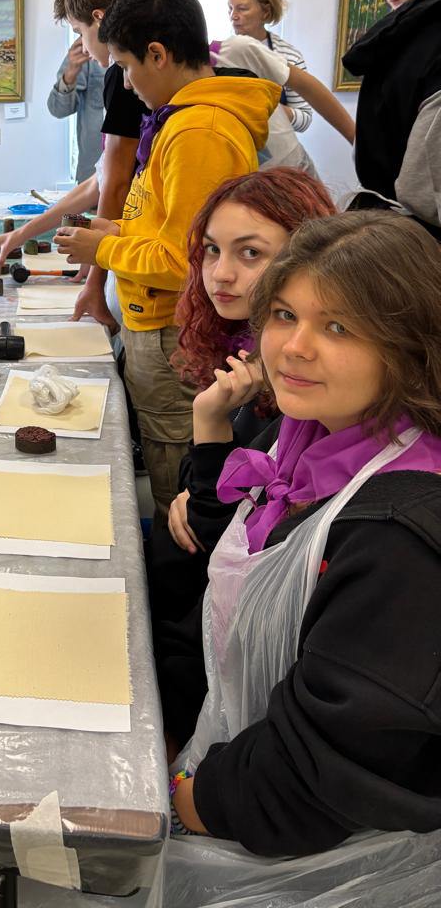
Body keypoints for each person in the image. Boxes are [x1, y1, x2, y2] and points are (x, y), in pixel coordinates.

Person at [162, 211, 441, 898]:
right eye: (285, 315)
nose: (294, 347)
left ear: (411, 345)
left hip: (328, 860)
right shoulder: (304, 436)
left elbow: (316, 778)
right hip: (239, 766)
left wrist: (184, 794)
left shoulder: (402, 539)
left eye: (339, 327)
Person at [55, 0, 279, 521]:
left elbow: (186, 264)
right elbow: (169, 229)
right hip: (159, 323)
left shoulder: (198, 132)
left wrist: (103, 251)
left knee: (174, 473)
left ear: (157, 54)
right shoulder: (184, 121)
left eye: (126, 67)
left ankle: (174, 563)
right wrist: (116, 233)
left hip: (170, 329)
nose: (126, 83)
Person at [147, 168, 336, 631]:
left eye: (250, 253)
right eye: (212, 249)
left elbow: (218, 536)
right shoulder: (242, 345)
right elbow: (208, 487)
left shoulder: (304, 382)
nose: (221, 273)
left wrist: (208, 427)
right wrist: (194, 488)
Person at [0, 0, 145, 328]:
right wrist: (22, 234)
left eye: (79, 31)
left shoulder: (121, 77)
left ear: (100, 19)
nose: (82, 45)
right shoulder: (123, 72)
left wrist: (95, 279)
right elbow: (101, 180)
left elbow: (116, 184)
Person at [342, 0, 441, 232]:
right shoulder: (393, 35)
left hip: (417, 200)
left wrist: (416, 197)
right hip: (390, 191)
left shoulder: (431, 27)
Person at [210, 35, 356, 173]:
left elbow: (307, 90)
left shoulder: (236, 50)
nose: (235, 18)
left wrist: (357, 141)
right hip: (243, 180)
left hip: (292, 167)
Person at [228, 0, 313, 131]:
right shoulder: (221, 53)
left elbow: (305, 120)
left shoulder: (289, 56)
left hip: (276, 145)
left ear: (265, 12)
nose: (233, 16)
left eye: (242, 9)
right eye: (230, 8)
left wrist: (271, 109)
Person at [45, 36, 106, 182]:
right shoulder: (87, 47)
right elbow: (57, 109)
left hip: (141, 174)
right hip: (92, 176)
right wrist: (70, 74)